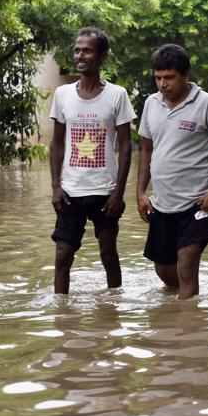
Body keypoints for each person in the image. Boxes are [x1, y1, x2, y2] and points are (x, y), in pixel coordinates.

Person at [136, 44, 208, 299]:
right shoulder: (151, 103)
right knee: (163, 269)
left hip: (197, 203)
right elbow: (146, 150)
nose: (162, 84)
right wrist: (139, 193)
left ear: (185, 75)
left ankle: (188, 331)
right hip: (162, 204)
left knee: (187, 266)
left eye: (169, 77)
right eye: (158, 77)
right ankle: (179, 304)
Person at [49, 28, 136, 294]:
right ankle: (61, 317)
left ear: (102, 57)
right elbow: (57, 143)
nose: (80, 55)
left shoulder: (117, 95)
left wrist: (119, 193)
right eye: (77, 50)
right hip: (70, 191)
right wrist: (55, 186)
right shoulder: (63, 94)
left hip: (104, 191)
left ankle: (114, 311)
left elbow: (125, 146)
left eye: (87, 50)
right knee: (62, 255)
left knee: (108, 253)